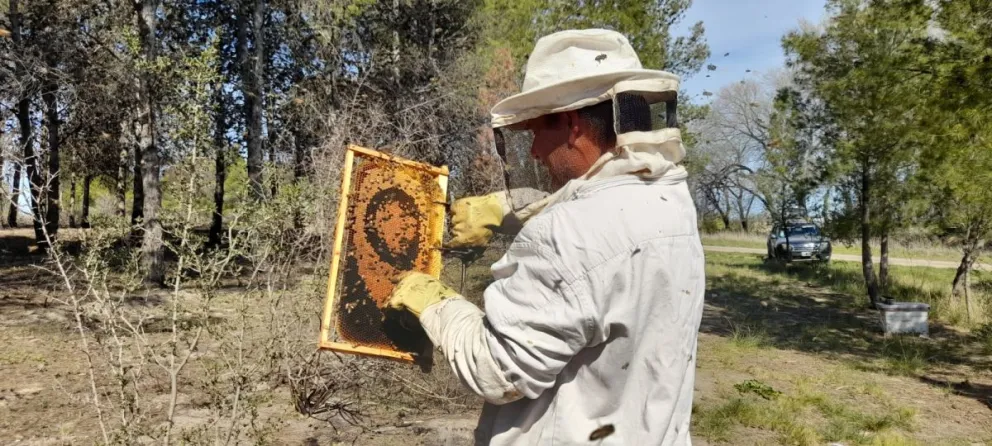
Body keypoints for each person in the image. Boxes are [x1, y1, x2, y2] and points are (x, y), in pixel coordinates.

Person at [387, 29, 706, 445]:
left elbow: (498, 371)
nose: (535, 150)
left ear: (572, 125)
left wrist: (435, 303)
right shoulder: (671, 198)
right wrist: (506, 209)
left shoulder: (569, 236)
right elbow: (605, 219)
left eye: (538, 131)